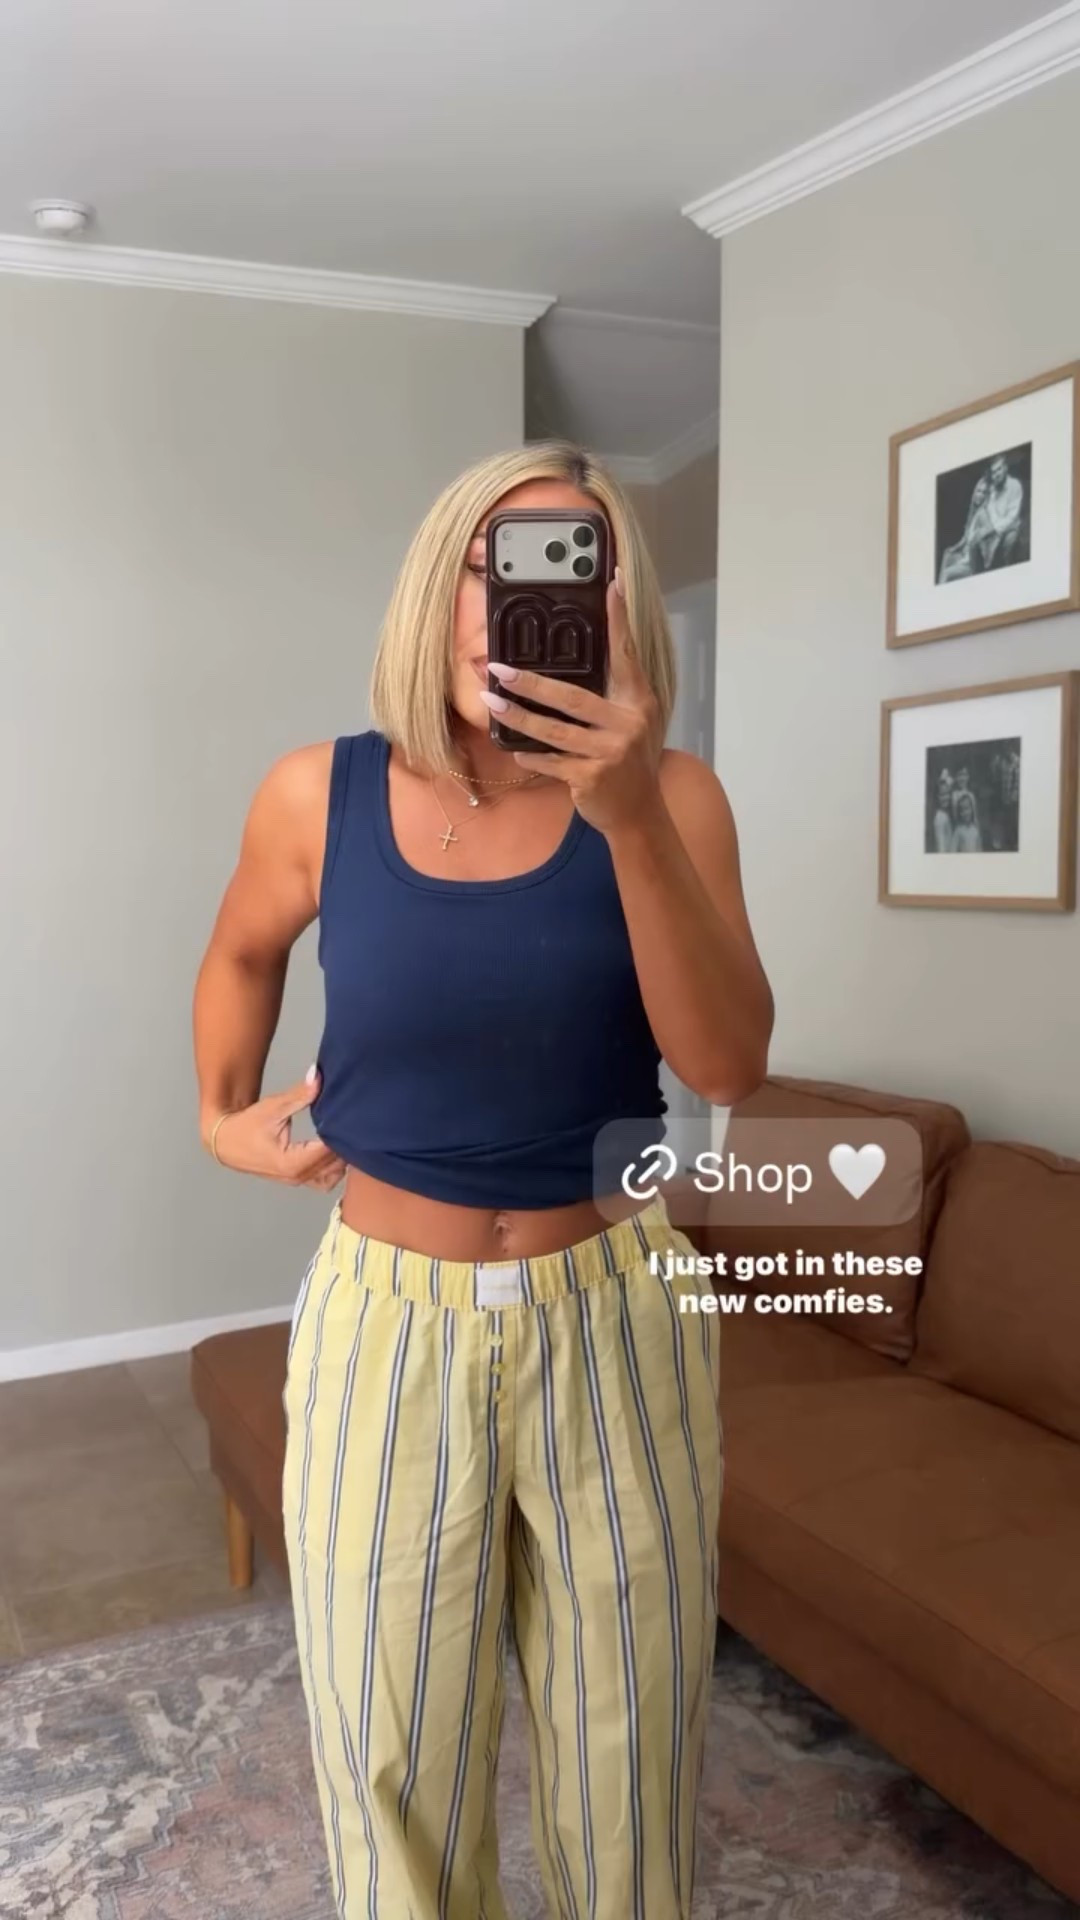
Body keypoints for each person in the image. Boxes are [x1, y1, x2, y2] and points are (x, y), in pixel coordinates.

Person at [192, 440, 774, 1920]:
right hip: (385, 1322)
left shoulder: (678, 800)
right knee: (389, 1753)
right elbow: (243, 951)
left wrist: (626, 815)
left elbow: (727, 1064)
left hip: (618, 1316)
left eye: (576, 566)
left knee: (627, 1756)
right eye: (495, 564)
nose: (525, 601)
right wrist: (219, 1115)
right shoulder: (316, 794)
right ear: (437, 588)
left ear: (615, 606)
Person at [931, 771, 954, 853]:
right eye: (942, 795)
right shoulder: (939, 818)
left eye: (947, 794)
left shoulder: (946, 815)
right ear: (937, 797)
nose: (946, 797)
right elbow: (941, 847)